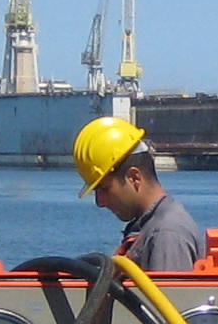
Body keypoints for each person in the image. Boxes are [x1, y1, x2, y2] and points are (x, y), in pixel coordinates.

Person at [73, 116, 205, 271]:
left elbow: (165, 289)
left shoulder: (166, 234)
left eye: (104, 188)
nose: (99, 202)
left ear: (134, 177)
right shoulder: (152, 227)